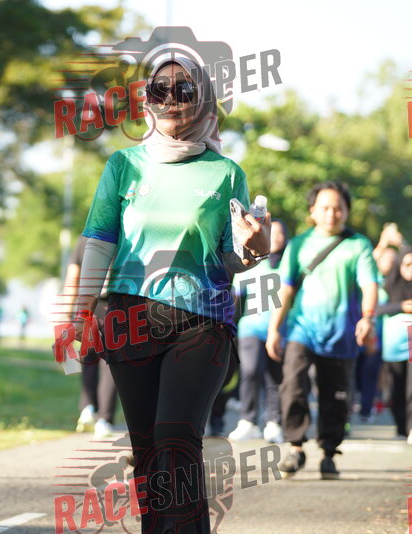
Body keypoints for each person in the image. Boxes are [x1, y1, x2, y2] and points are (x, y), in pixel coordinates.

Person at [73, 56, 271, 533]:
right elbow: (99, 240)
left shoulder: (226, 172)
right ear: (147, 100)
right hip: (129, 317)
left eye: (184, 90)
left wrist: (256, 248)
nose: (171, 100)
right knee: (146, 451)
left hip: (202, 322)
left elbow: (233, 258)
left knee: (175, 440)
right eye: (159, 90)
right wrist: (81, 313)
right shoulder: (123, 165)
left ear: (202, 100)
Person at [266, 181, 379, 480]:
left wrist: (368, 318)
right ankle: (295, 447)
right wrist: (274, 329)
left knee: (336, 397)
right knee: (292, 384)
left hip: (342, 334)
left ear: (347, 211)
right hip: (301, 330)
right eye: (325, 208)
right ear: (312, 211)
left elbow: (370, 285)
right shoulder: (298, 244)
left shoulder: (358, 245)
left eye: (338, 208)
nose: (332, 214)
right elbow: (285, 290)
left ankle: (329, 453)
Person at [228, 220, 288, 443]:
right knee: (250, 371)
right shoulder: (251, 261)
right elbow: (236, 296)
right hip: (251, 327)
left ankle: (274, 423)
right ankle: (248, 421)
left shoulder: (290, 263)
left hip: (281, 330)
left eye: (281, 234)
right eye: (273, 233)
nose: (276, 237)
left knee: (275, 377)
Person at [64, 235, 118, 438]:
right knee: (110, 363)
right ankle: (104, 419)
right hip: (116, 305)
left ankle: (87, 407)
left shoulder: (84, 240)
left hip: (87, 306)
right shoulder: (124, 238)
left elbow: (73, 277)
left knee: (89, 357)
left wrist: (67, 312)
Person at [375, 239, 412, 441]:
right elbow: (376, 308)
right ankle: (401, 427)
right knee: (396, 390)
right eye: (407, 264)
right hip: (394, 346)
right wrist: (401, 306)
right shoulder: (388, 285)